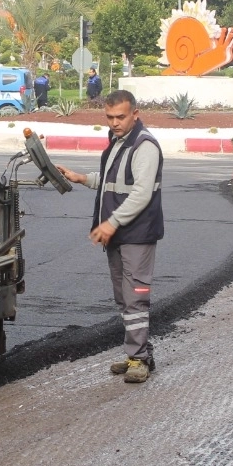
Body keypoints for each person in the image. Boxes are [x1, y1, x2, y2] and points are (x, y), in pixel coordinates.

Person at [54, 90, 163, 383]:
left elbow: (140, 193)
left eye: (120, 117)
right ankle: (138, 353)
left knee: (136, 297)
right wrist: (81, 178)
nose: (114, 123)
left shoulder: (144, 146)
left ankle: (139, 359)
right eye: (110, 117)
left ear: (135, 114)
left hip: (137, 234)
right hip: (119, 235)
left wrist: (111, 223)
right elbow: (112, 181)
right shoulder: (118, 142)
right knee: (123, 297)